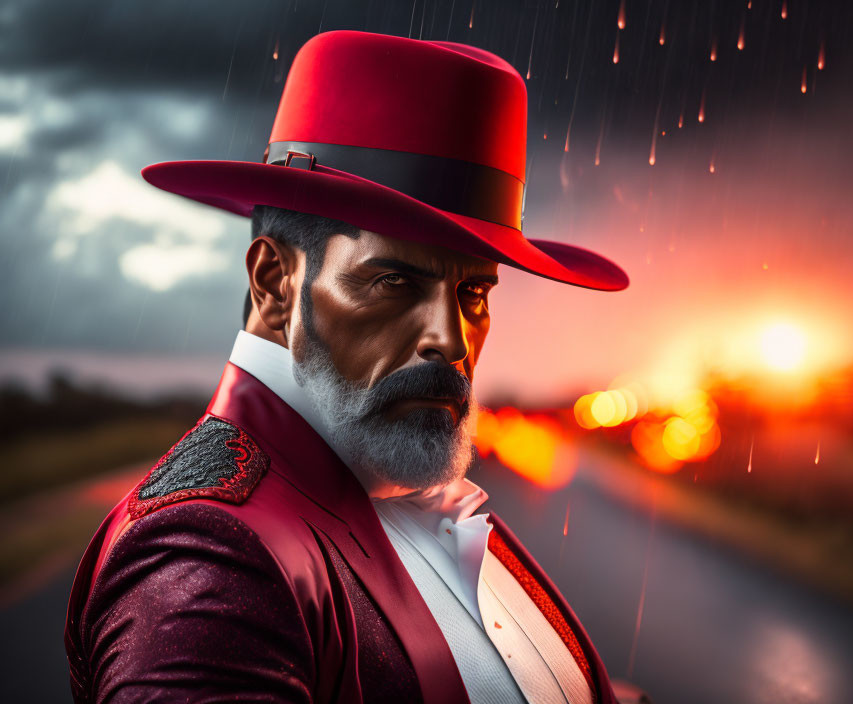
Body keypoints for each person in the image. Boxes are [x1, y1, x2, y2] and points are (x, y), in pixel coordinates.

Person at [64, 30, 629, 703]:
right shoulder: (209, 557)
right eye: (394, 282)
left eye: (473, 293)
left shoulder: (401, 488)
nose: (449, 340)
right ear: (275, 282)